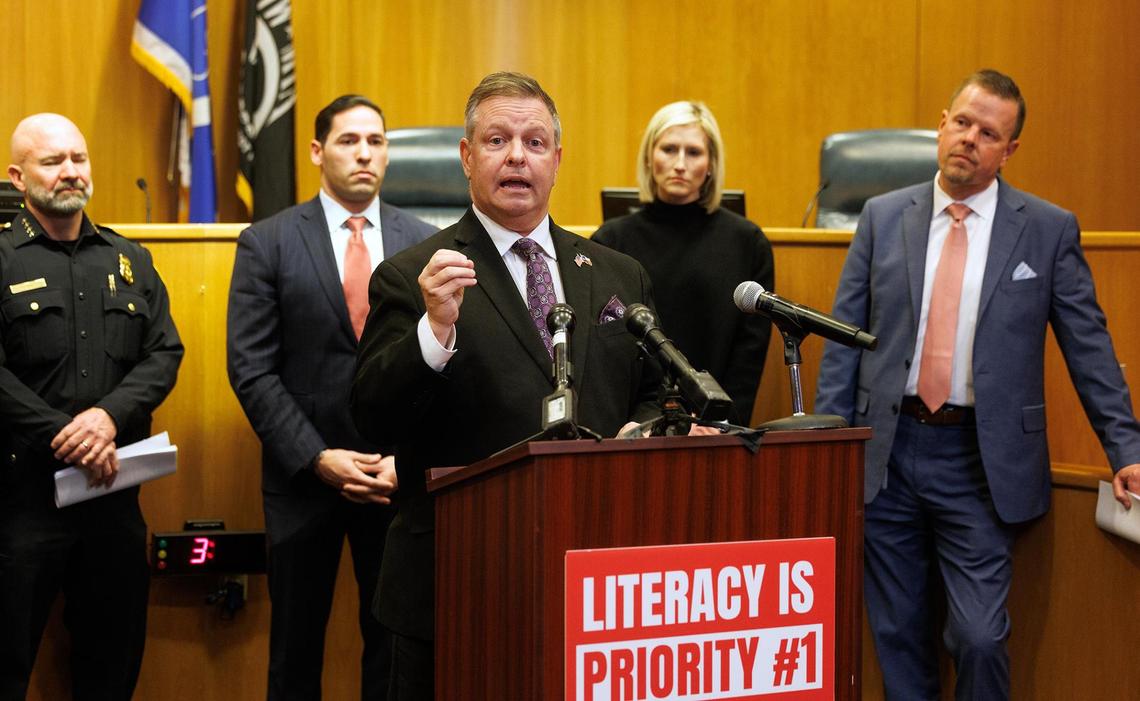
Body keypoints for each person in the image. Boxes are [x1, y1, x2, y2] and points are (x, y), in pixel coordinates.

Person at [814, 69, 1140, 700]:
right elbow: (843, 344)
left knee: (979, 636)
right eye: (961, 122)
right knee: (899, 637)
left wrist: (1125, 450)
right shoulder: (884, 217)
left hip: (980, 463)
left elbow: (1090, 349)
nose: (969, 139)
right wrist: (834, 449)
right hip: (889, 453)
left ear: (1009, 150)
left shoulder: (1046, 230)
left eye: (988, 132)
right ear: (942, 123)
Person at [351, 71, 660, 699]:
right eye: (496, 140)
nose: (517, 156)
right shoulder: (414, 275)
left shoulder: (617, 272)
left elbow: (654, 390)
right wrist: (434, 329)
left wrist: (644, 427)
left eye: (535, 141)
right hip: (456, 584)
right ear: (467, 157)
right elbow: (373, 417)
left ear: (557, 159)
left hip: (594, 584)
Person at [226, 95, 435, 700]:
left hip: (394, 476)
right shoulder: (266, 242)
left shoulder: (425, 241)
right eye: (349, 140)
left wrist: (405, 459)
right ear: (318, 151)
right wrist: (318, 458)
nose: (364, 153)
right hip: (302, 483)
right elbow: (252, 369)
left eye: (376, 140)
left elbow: (441, 363)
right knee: (295, 651)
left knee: (393, 647)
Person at [0, 113, 183, 699]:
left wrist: (106, 419)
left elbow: (164, 352)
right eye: (52, 161)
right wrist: (64, 435)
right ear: (17, 175)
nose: (70, 172)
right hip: (20, 502)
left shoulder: (132, 260)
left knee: (111, 670)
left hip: (112, 498)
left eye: (78, 158)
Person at [592, 101, 774, 425]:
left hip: (717, 425)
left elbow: (748, 356)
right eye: (668, 149)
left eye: (693, 152)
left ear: (711, 164)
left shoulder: (747, 242)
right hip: (633, 428)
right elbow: (607, 355)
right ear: (649, 157)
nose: (679, 163)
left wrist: (724, 423)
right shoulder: (610, 242)